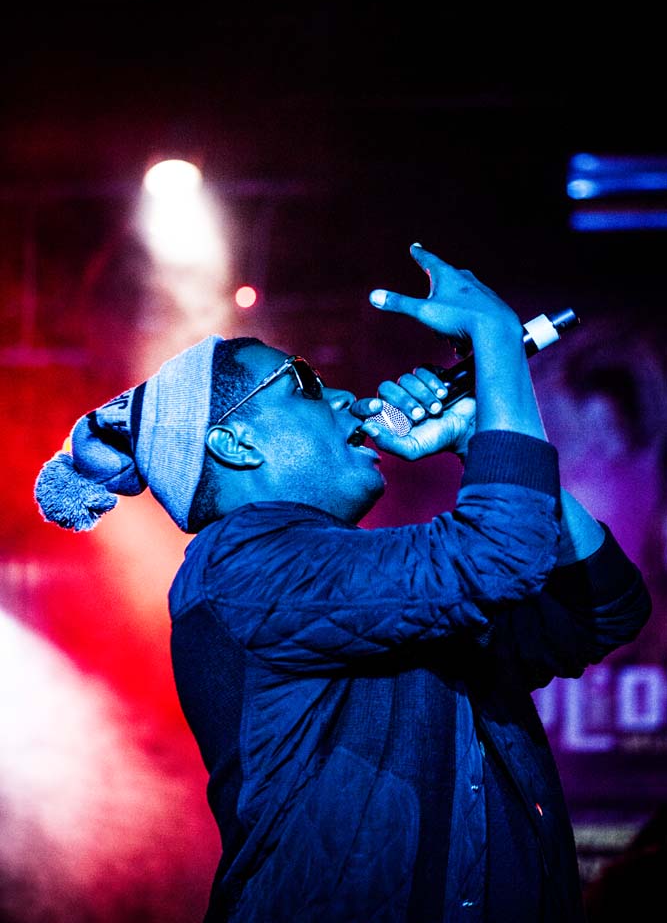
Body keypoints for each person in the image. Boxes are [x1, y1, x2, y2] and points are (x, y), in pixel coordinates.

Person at [34, 243, 651, 922]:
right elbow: (497, 551)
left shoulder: (361, 586)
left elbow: (601, 610)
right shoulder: (242, 566)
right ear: (235, 445)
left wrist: (483, 436)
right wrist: (495, 340)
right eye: (302, 382)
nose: (344, 397)